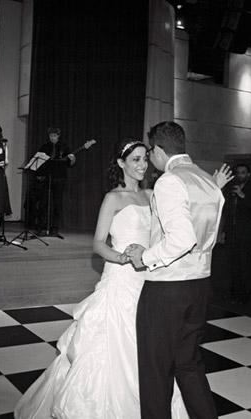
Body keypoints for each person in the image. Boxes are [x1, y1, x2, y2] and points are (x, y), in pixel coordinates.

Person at [15, 138, 194, 418]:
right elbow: (98, 243)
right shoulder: (113, 198)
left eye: (145, 159)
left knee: (151, 347)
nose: (142, 165)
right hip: (120, 279)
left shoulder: (152, 195)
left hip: (148, 280)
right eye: (135, 159)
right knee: (111, 345)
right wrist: (121, 257)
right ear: (121, 163)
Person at [126, 121, 231, 419]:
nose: (150, 159)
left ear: (159, 150)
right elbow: (209, 237)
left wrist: (145, 257)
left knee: (155, 369)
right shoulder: (207, 181)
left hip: (168, 288)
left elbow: (182, 239)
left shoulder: (170, 181)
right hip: (199, 284)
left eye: (150, 152)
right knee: (188, 363)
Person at [220, 163, 251, 305]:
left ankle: (244, 295)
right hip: (232, 232)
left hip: (246, 233)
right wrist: (223, 231)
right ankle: (231, 293)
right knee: (232, 264)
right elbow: (227, 211)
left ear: (248, 174)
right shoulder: (231, 189)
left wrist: (242, 195)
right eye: (238, 173)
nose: (240, 175)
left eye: (243, 173)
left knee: (245, 265)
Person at [29, 126, 76, 236]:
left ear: (58, 136)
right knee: (43, 203)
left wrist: (73, 159)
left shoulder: (64, 147)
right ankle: (40, 227)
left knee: (57, 204)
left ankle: (54, 229)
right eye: (51, 136)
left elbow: (71, 164)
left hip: (59, 178)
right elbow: (39, 162)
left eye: (54, 136)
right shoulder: (44, 147)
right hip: (46, 178)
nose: (52, 138)